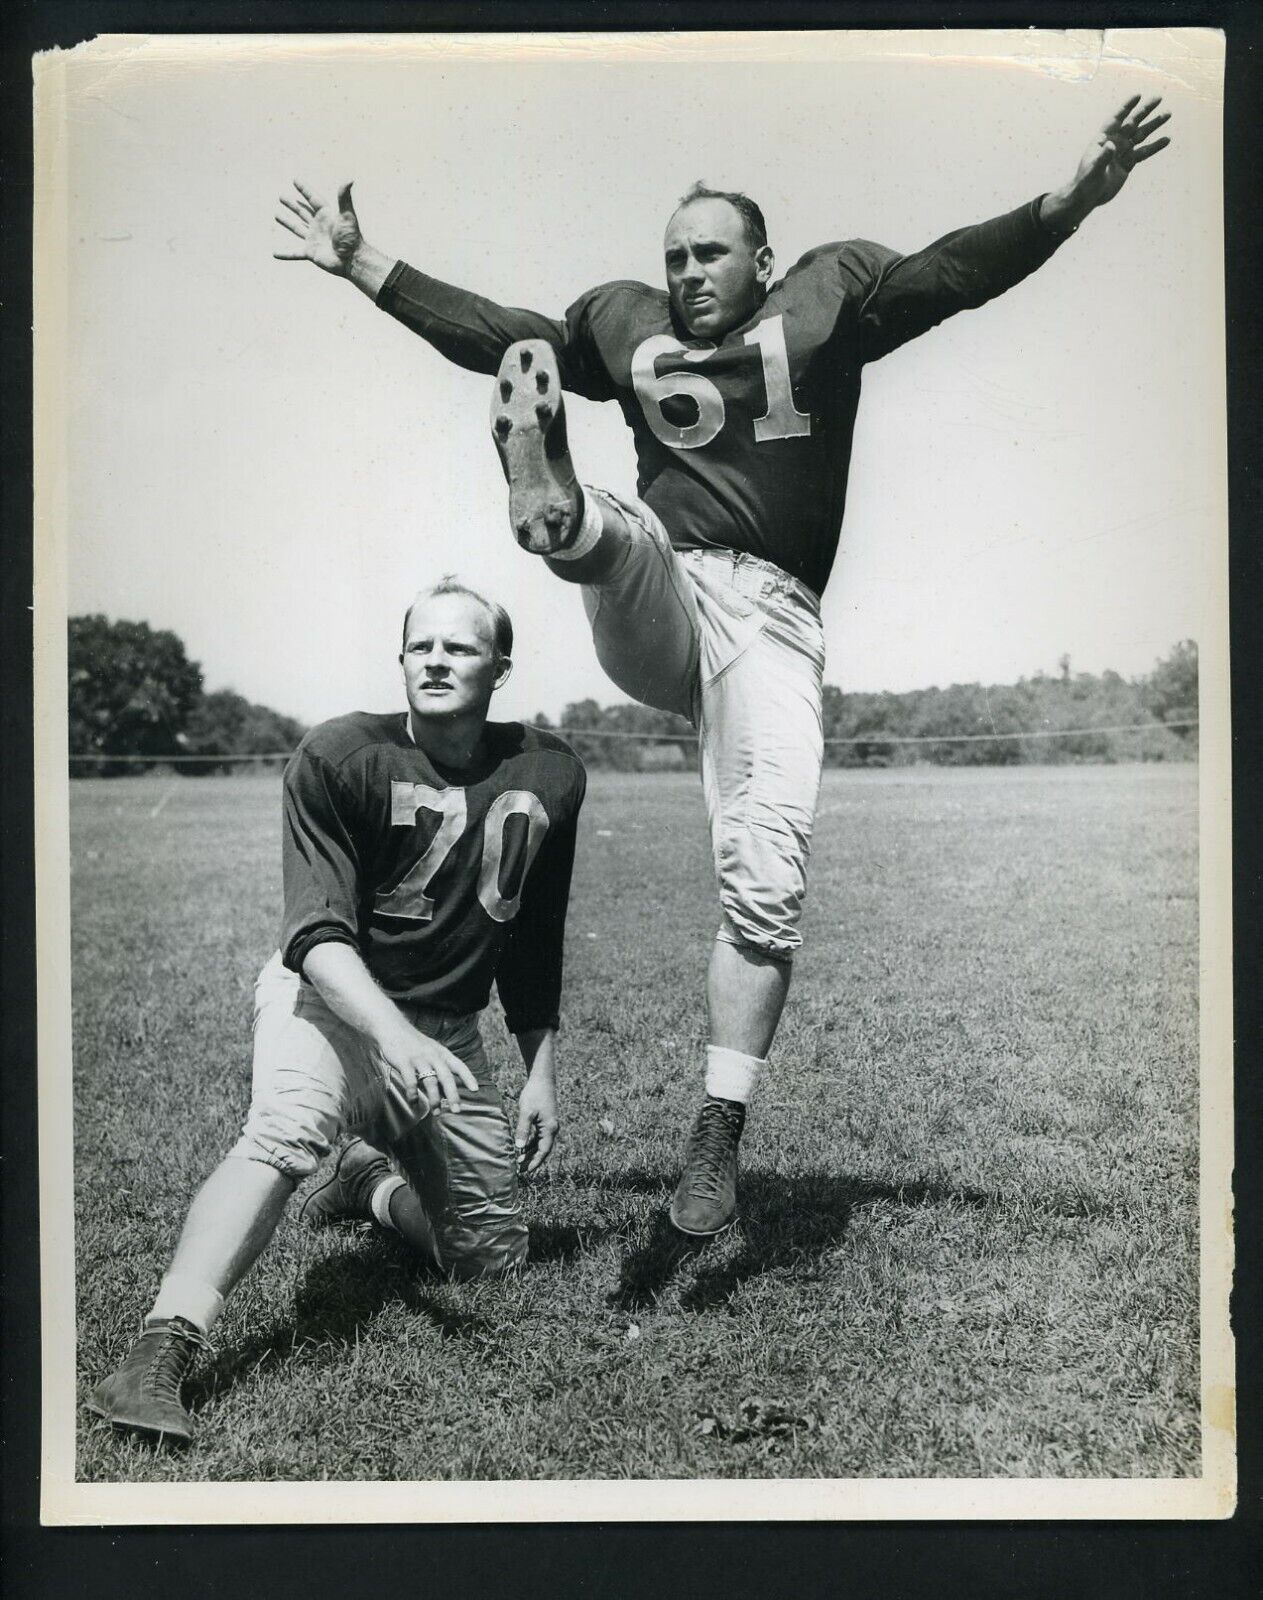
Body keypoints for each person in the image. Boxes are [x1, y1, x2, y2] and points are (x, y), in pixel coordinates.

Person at [273, 96, 1171, 1239]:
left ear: (762, 256)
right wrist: (367, 266)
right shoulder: (626, 324)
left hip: (774, 618)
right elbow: (508, 336)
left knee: (766, 875)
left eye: (711, 252)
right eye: (676, 256)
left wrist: (1071, 200)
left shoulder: (828, 295)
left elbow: (954, 273)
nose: (690, 271)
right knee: (620, 531)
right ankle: (548, 502)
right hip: (665, 581)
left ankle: (717, 1126)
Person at [87, 579, 586, 1445]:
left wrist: (541, 1071)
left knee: (490, 1261)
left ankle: (369, 1183)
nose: (435, 658)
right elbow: (313, 934)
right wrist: (390, 1037)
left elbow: (533, 938)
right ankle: (157, 1352)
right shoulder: (340, 754)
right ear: (399, 658)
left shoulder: (548, 772)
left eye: (460, 647)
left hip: (448, 1030)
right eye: (419, 645)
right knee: (282, 1131)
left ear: (500, 669)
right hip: (329, 1006)